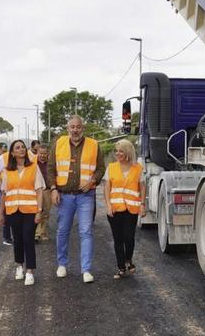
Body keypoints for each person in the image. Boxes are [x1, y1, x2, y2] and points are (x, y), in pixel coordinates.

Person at [47, 115, 105, 283]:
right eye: (72, 127)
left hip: (86, 196)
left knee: (86, 231)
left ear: (83, 128)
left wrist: (93, 181)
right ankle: (62, 264)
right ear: (67, 128)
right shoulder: (59, 144)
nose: (75, 130)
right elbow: (51, 169)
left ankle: (86, 269)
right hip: (64, 196)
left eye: (78, 127)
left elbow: (101, 168)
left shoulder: (94, 145)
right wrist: (53, 189)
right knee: (62, 231)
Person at [0, 139, 44, 286]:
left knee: (28, 239)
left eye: (23, 147)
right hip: (13, 211)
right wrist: (1, 213)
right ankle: (19, 266)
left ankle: (30, 271)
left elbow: (39, 191)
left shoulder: (33, 168)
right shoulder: (7, 171)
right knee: (17, 239)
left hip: (30, 210)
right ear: (12, 152)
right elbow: (4, 193)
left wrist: (39, 211)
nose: (21, 149)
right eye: (17, 148)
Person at [104, 139, 146, 279]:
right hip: (115, 209)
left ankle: (129, 259)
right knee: (118, 239)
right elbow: (107, 188)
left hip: (132, 209)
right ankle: (121, 267)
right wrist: (108, 206)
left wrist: (142, 205)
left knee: (129, 237)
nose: (118, 153)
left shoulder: (138, 168)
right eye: (117, 151)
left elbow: (142, 187)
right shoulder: (111, 167)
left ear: (128, 152)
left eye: (121, 151)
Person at [34, 144, 52, 242]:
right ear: (37, 153)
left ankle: (43, 232)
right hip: (36, 191)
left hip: (47, 191)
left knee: (46, 213)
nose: (42, 155)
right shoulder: (33, 163)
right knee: (37, 211)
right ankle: (36, 233)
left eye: (44, 153)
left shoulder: (51, 164)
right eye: (41, 153)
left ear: (48, 153)